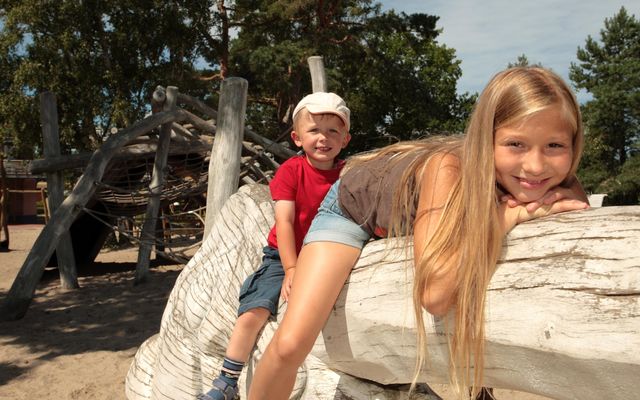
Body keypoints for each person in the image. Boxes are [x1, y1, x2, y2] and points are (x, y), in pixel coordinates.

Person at [247, 67, 590, 400]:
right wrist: (502, 219)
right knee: (292, 342)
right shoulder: (448, 169)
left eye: (555, 146)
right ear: (486, 140)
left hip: (410, 213)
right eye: (516, 144)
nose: (535, 166)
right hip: (354, 209)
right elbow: (435, 295)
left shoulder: (557, 183)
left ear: (573, 146)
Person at [198, 92, 351, 400]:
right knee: (255, 308)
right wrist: (292, 267)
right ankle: (227, 380)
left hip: (328, 253)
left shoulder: (349, 174)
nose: (324, 138)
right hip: (286, 254)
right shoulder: (291, 171)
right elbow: (284, 222)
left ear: (346, 138)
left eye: (333, 131)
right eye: (314, 130)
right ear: (297, 137)